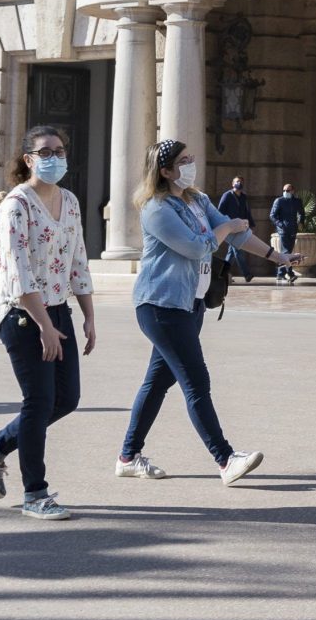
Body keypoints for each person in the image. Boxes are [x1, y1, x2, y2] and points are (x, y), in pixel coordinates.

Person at [117, 139, 285, 485]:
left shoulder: (197, 200)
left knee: (157, 382)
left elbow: (239, 237)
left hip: (190, 304)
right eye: (183, 160)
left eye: (190, 157)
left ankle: (128, 456)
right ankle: (225, 460)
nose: (191, 164)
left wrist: (276, 256)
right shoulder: (157, 209)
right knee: (196, 381)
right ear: (165, 171)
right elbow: (197, 247)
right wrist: (225, 228)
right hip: (160, 305)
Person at [0, 126, 99, 520]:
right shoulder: (16, 205)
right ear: (28, 159)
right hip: (23, 314)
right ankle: (35, 494)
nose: (54, 157)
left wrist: (89, 315)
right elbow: (19, 270)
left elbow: (78, 258)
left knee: (66, 399)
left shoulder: (71, 201)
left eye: (60, 150)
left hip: (58, 308)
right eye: (45, 151)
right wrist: (44, 325)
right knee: (39, 401)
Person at [217, 177, 256, 282]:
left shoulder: (244, 197)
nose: (239, 183)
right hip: (230, 227)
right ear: (232, 183)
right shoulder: (227, 195)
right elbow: (220, 211)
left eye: (241, 182)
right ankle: (247, 274)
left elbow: (247, 211)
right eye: (237, 181)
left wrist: (251, 224)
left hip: (241, 227)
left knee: (231, 253)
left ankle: (222, 273)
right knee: (237, 250)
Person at [268, 183, 302, 284]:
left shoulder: (297, 201)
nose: (285, 192)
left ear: (292, 191)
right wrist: (281, 225)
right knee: (286, 251)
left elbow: (301, 212)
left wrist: (300, 222)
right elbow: (272, 215)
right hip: (283, 230)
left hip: (293, 229)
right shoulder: (279, 201)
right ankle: (290, 273)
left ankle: (280, 273)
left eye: (287, 190)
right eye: (284, 190)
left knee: (287, 252)